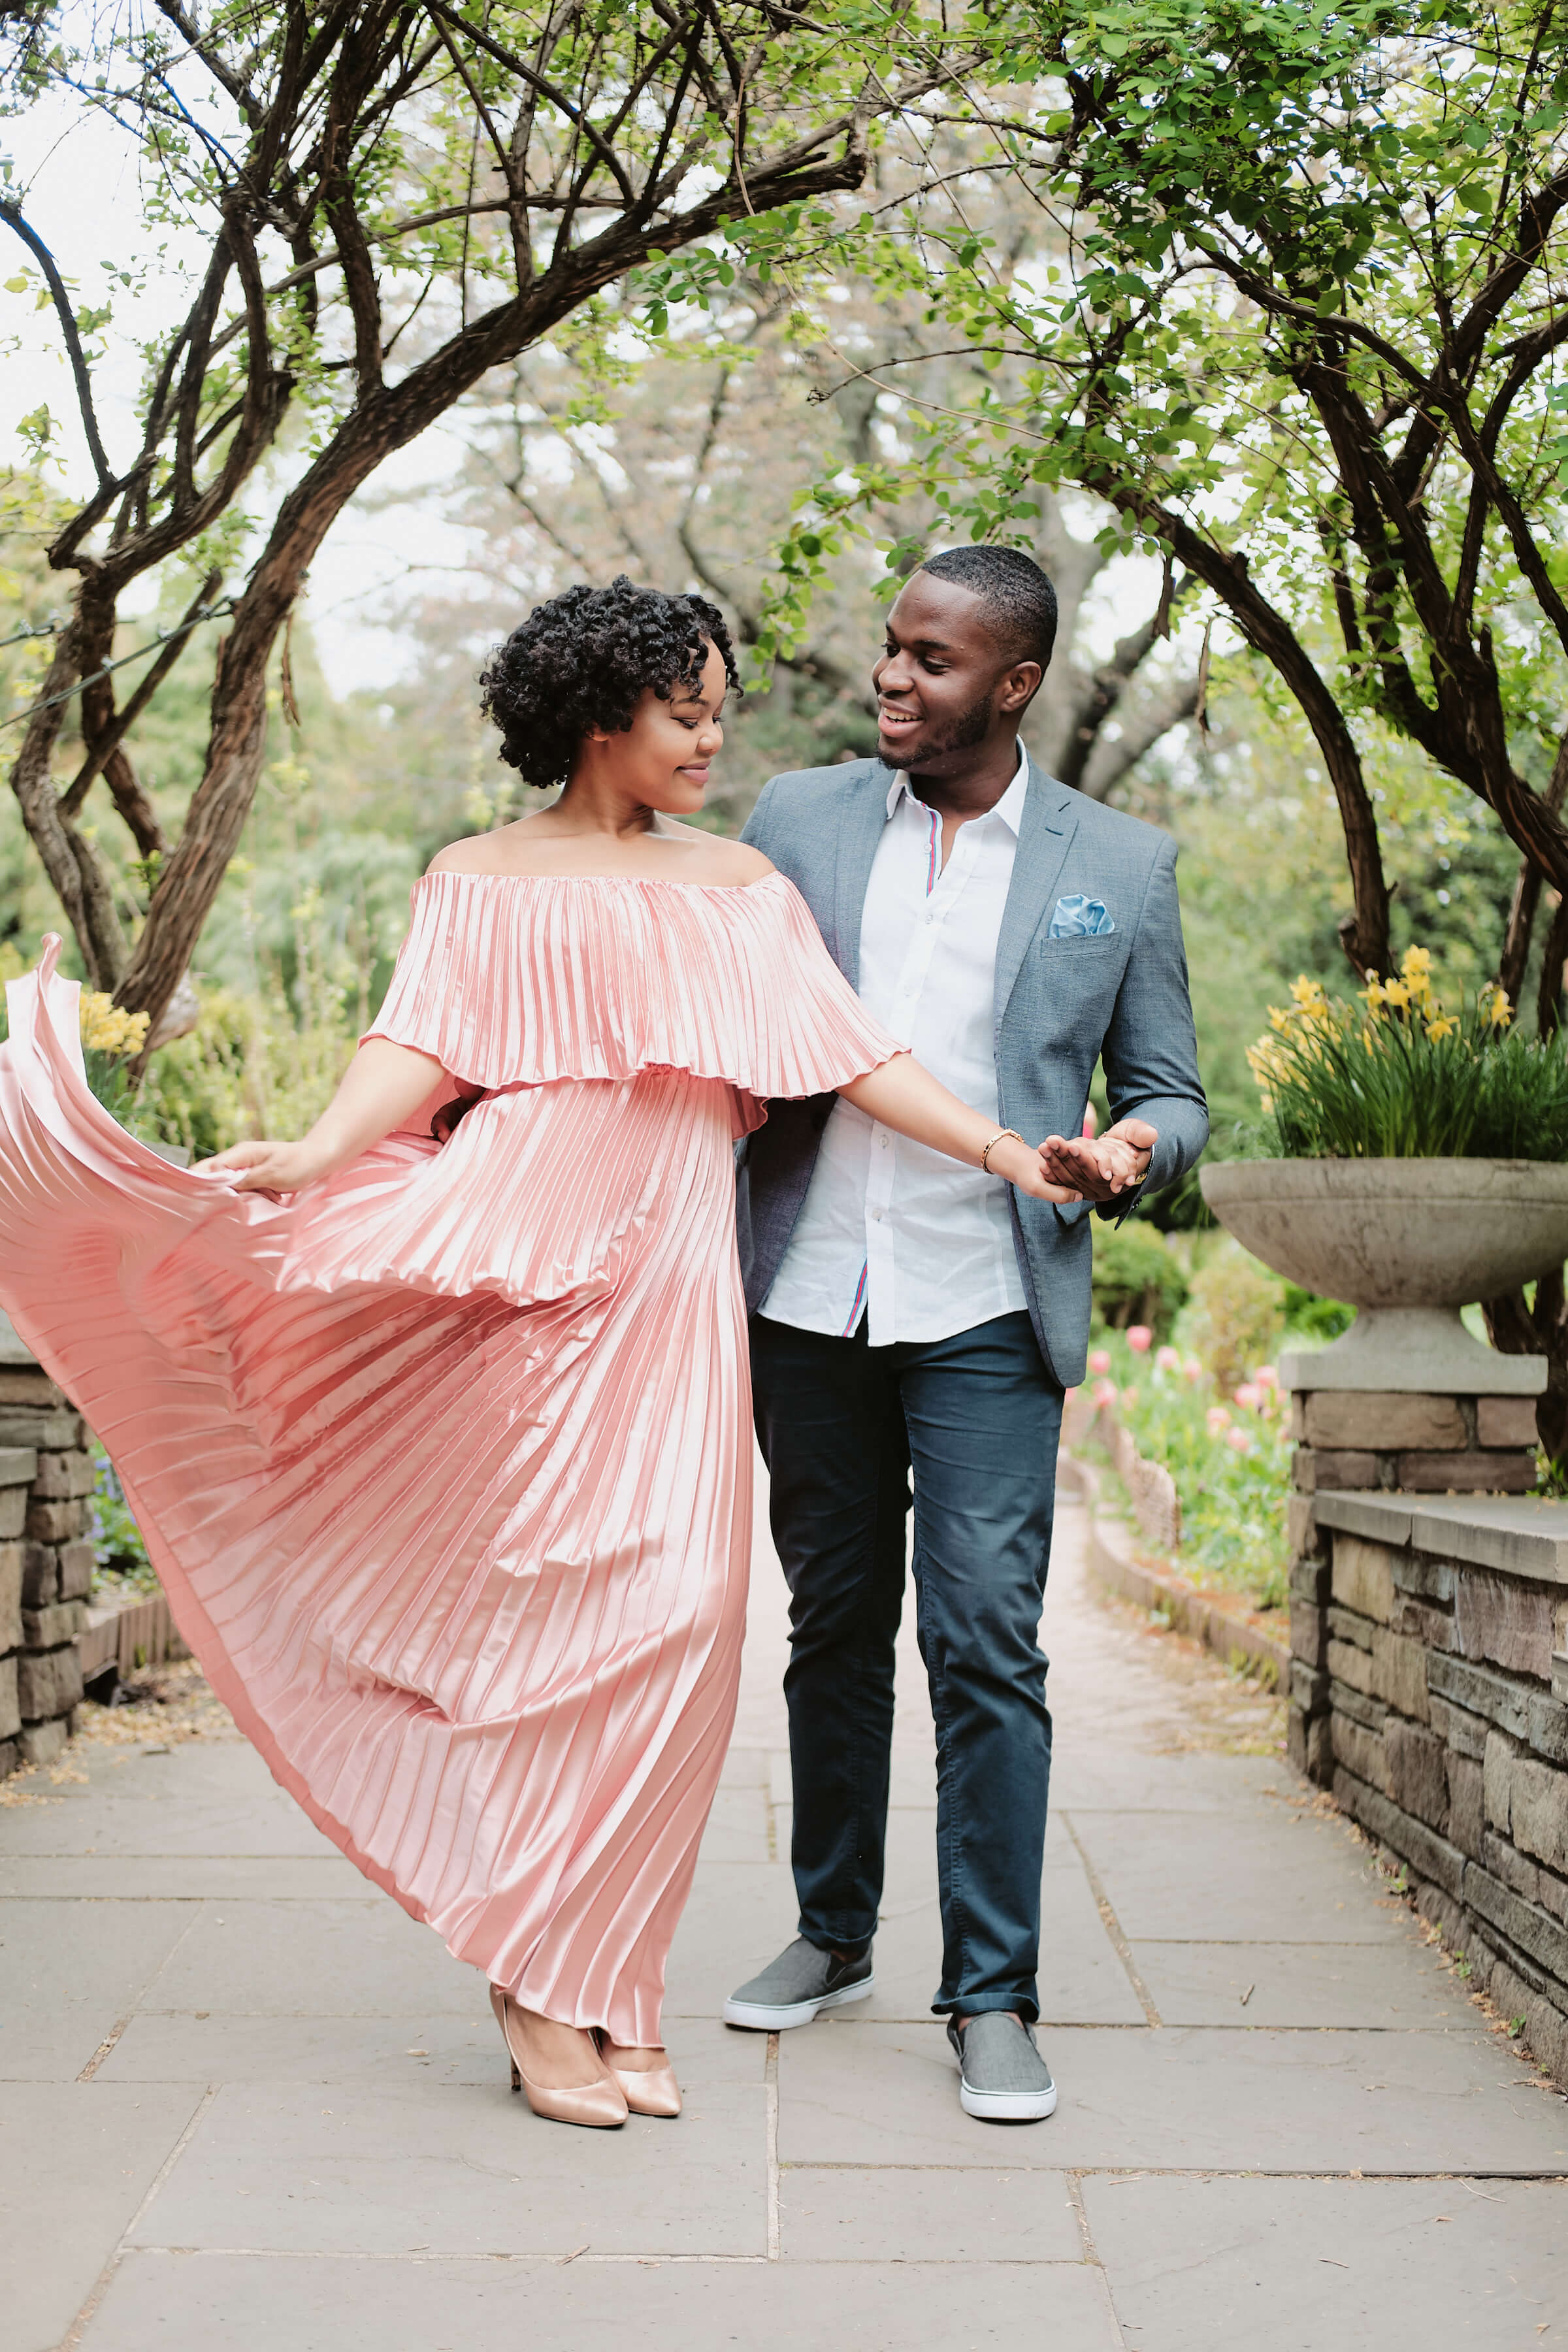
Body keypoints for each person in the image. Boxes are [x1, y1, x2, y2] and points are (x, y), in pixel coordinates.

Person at [0, 577, 1113, 2132]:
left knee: (681, 1626)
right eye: (690, 709)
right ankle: (540, 1989)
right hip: (519, 1266)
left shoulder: (738, 888)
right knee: (540, 1639)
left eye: (719, 707)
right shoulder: (478, 877)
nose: (717, 735)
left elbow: (854, 1055)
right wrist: (321, 1149)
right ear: (602, 719)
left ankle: (610, 1975)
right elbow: (427, 1038)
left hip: (675, 1292)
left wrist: (1005, 1151)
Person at [727, 546, 1209, 2123]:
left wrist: (1133, 1152)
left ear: (1014, 683)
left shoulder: (1119, 864)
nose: (894, 678)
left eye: (934, 661)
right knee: (831, 1628)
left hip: (993, 1303)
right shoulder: (795, 822)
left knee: (989, 1643)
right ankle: (831, 1931)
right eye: (891, 648)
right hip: (810, 1293)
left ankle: (993, 1995)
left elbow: (1171, 1089)